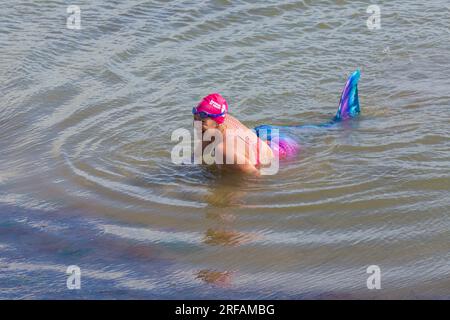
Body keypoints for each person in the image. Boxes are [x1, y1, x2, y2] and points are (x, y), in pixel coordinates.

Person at [192, 70, 361, 175]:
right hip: (263, 132)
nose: (196, 123)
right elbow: (200, 155)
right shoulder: (220, 123)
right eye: (195, 117)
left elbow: (254, 177)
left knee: (331, 128)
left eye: (202, 120)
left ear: (217, 121)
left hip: (282, 147)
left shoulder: (224, 149)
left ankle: (345, 119)